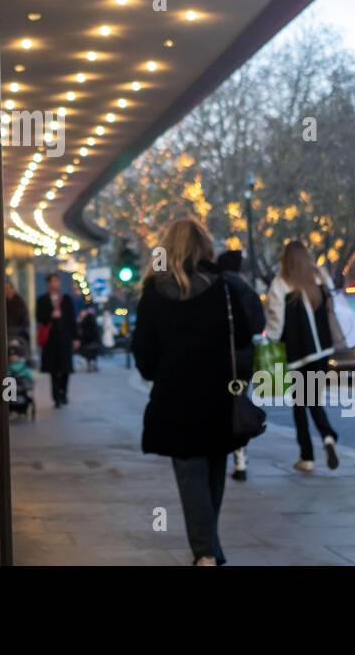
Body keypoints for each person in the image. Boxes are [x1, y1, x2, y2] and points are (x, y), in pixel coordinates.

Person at [133, 217, 242, 566]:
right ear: (203, 248)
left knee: (190, 474)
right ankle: (209, 546)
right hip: (219, 397)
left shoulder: (153, 293)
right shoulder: (222, 288)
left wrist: (159, 372)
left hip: (176, 398)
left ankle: (206, 552)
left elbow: (144, 352)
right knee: (214, 471)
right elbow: (242, 336)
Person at [265, 240, 340, 473]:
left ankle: (307, 455)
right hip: (323, 351)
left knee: (300, 403)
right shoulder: (320, 278)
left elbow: (276, 322)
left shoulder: (280, 284)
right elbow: (333, 304)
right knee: (313, 397)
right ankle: (327, 435)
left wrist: (273, 339)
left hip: (297, 353)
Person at [215, 249, 265, 482]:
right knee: (239, 401)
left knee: (222, 406)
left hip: (221, 356)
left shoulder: (215, 288)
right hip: (244, 357)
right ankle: (240, 456)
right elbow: (258, 323)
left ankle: (231, 454)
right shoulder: (247, 290)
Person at [36, 272, 78, 406]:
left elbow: (72, 319)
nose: (55, 284)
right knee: (53, 370)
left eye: (56, 281)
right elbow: (39, 317)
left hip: (65, 338)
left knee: (65, 368)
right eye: (52, 281)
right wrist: (51, 315)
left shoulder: (66, 299)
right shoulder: (42, 300)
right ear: (48, 283)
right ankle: (56, 398)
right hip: (51, 340)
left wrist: (75, 338)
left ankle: (63, 392)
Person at [77, 306, 103, 371]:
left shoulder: (87, 319)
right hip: (90, 340)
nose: (81, 314)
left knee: (90, 354)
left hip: (90, 340)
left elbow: (84, 329)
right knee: (91, 355)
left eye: (82, 312)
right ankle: (92, 366)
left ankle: (91, 366)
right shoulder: (88, 319)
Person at [6, 279, 30, 347]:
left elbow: (25, 322)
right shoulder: (1, 306)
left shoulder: (20, 303)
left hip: (19, 335)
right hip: (7, 335)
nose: (8, 291)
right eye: (6, 289)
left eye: (10, 288)